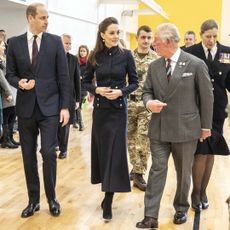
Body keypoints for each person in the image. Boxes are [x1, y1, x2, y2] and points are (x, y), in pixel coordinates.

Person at [136, 23, 213, 229]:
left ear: (169, 42)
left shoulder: (195, 64)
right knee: (157, 170)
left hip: (186, 129)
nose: (154, 46)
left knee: (183, 171)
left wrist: (205, 127)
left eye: (157, 43)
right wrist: (149, 103)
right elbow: (146, 92)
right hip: (159, 128)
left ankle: (181, 208)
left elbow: (207, 98)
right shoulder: (155, 66)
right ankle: (150, 215)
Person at [6, 3, 70, 218]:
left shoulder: (54, 42)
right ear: (30, 18)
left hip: (50, 108)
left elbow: (63, 77)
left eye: (47, 17)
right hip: (25, 109)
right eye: (42, 17)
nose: (46, 21)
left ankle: (52, 198)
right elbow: (10, 74)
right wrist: (19, 83)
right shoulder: (14, 43)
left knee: (49, 153)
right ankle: (33, 200)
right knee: (27, 156)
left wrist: (65, 107)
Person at [83, 17, 138, 221]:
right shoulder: (94, 55)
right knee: (104, 153)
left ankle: (108, 198)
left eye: (118, 32)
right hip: (100, 113)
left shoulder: (127, 55)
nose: (116, 36)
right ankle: (107, 192)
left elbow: (134, 82)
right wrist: (96, 89)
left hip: (118, 112)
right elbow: (86, 81)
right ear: (103, 34)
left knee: (115, 154)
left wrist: (121, 92)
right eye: (112, 32)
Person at [185, 19, 230, 211]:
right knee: (200, 151)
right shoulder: (189, 52)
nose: (212, 40)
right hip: (196, 108)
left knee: (211, 151)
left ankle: (203, 191)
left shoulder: (226, 52)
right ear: (201, 34)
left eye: (214, 36)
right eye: (207, 36)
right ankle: (195, 192)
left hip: (218, 109)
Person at [128, 25, 158, 191]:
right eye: (143, 37)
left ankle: (139, 174)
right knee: (130, 140)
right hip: (129, 104)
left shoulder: (156, 59)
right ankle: (136, 169)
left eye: (149, 38)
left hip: (147, 104)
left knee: (143, 140)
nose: (146, 41)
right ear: (138, 38)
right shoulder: (128, 57)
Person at [57, 34, 81, 159]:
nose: (69, 45)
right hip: (54, 97)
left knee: (65, 124)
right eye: (66, 43)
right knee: (55, 123)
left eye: (70, 43)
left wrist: (78, 99)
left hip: (69, 97)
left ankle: (63, 149)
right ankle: (56, 144)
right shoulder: (53, 58)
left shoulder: (73, 59)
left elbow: (77, 80)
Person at [0, 40, 18, 148]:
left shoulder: (4, 59)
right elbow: (1, 78)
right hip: (5, 92)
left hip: (11, 90)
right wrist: (8, 91)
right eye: (2, 46)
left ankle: (10, 137)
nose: (4, 47)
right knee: (7, 116)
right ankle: (5, 140)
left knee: (12, 114)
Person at [74, 44, 89, 131]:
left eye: (84, 51)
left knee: (79, 105)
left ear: (87, 52)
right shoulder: (76, 61)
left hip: (83, 88)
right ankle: (75, 121)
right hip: (75, 87)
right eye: (81, 51)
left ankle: (80, 123)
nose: (82, 53)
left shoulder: (88, 63)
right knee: (76, 104)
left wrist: (82, 77)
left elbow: (89, 76)